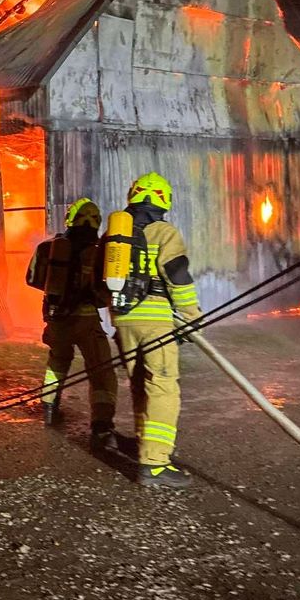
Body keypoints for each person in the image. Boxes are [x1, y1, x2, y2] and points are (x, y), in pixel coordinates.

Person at [110, 172, 202, 490]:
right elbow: (178, 275)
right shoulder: (164, 232)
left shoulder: (114, 237)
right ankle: (156, 464)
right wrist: (192, 317)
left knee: (139, 386)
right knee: (162, 388)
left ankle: (144, 447)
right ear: (163, 200)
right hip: (155, 322)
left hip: (123, 321)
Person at [26, 198, 118, 450]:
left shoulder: (48, 248)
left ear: (70, 219)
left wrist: (59, 291)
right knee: (101, 371)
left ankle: (49, 408)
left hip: (56, 319)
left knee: (57, 362)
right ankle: (101, 426)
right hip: (87, 319)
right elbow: (107, 289)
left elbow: (32, 279)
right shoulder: (102, 251)